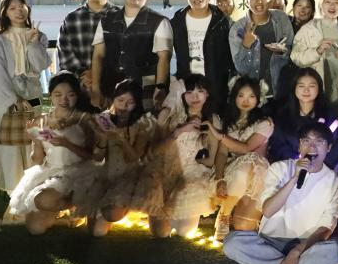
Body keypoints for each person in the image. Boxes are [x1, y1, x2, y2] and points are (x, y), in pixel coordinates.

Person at [224, 121, 338, 264]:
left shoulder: (337, 183)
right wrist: (294, 178)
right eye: (306, 141)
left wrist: (296, 253)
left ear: (328, 148)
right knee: (232, 242)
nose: (312, 147)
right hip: (269, 242)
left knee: (337, 249)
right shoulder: (280, 168)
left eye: (319, 142)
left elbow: (325, 229)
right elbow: (268, 210)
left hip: (305, 246)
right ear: (299, 145)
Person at [7, 73, 96, 234]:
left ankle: (77, 205)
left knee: (44, 200)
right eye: (58, 95)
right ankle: (63, 207)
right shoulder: (41, 120)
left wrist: (66, 144)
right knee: (35, 228)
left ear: (77, 96)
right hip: (53, 173)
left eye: (70, 95)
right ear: (51, 96)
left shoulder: (85, 119)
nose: (64, 100)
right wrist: (35, 141)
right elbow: (37, 160)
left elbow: (93, 156)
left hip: (82, 173)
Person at [0, 0, 51, 196]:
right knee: (10, 140)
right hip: (6, 94)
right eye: (12, 8)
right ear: (4, 13)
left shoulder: (39, 35)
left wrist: (33, 43)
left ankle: (34, 184)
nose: (19, 11)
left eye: (21, 6)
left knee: (34, 137)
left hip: (32, 91)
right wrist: (13, 100)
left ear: (27, 8)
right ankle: (13, 189)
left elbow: (41, 65)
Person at [141, 74, 218, 239]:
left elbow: (212, 159)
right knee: (160, 233)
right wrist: (179, 131)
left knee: (185, 231)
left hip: (189, 174)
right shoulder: (170, 115)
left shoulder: (212, 120)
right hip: (163, 171)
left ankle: (179, 213)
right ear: (182, 94)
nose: (195, 97)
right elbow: (154, 151)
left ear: (207, 94)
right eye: (189, 92)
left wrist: (195, 163)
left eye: (200, 91)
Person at [90, 0, 172, 110]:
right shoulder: (106, 20)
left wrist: (160, 88)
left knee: (143, 122)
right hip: (111, 89)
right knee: (110, 122)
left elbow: (164, 59)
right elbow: (98, 56)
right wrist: (95, 89)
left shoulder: (159, 22)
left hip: (144, 91)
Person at [206, 77, 274, 240]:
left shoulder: (265, 123)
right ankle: (225, 214)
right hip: (234, 172)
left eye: (251, 96)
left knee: (244, 227)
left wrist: (221, 137)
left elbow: (247, 148)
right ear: (234, 97)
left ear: (258, 99)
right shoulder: (229, 122)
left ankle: (227, 211)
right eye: (241, 95)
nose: (246, 101)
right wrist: (219, 178)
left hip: (257, 175)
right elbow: (222, 153)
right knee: (239, 171)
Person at [86, 79, 155, 237]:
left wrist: (120, 138)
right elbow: (98, 157)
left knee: (112, 214)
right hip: (106, 176)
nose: (124, 106)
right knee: (96, 232)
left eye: (130, 102)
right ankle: (104, 208)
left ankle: (126, 208)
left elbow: (133, 158)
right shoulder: (103, 119)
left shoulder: (143, 123)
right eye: (120, 100)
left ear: (137, 103)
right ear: (113, 99)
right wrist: (102, 139)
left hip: (130, 177)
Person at [291, 0, 338, 125]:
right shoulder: (309, 29)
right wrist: (317, 51)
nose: (332, 6)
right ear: (321, 5)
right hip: (314, 87)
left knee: (337, 124)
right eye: (327, 2)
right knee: (314, 125)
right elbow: (296, 57)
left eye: (337, 2)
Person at [171, 0, 234, 116]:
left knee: (214, 121)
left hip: (215, 85)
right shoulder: (176, 22)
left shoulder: (223, 22)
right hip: (187, 85)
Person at [229, 0, 295, 99]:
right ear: (246, 0)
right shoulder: (237, 28)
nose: (259, 1)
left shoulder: (281, 18)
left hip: (280, 90)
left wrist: (283, 51)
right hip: (253, 95)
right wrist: (246, 45)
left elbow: (293, 51)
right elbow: (241, 70)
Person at [268, 67, 338, 167]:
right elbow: (278, 147)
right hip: (290, 168)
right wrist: (299, 162)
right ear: (294, 88)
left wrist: (316, 167)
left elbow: (335, 149)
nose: (306, 90)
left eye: (311, 86)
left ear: (319, 88)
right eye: (301, 86)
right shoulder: (283, 117)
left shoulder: (330, 118)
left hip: (322, 170)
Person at [57, 0, 118, 93]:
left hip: (113, 86)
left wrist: (99, 73)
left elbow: (126, 53)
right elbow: (64, 52)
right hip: (80, 86)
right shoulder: (72, 18)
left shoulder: (120, 17)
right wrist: (83, 74)